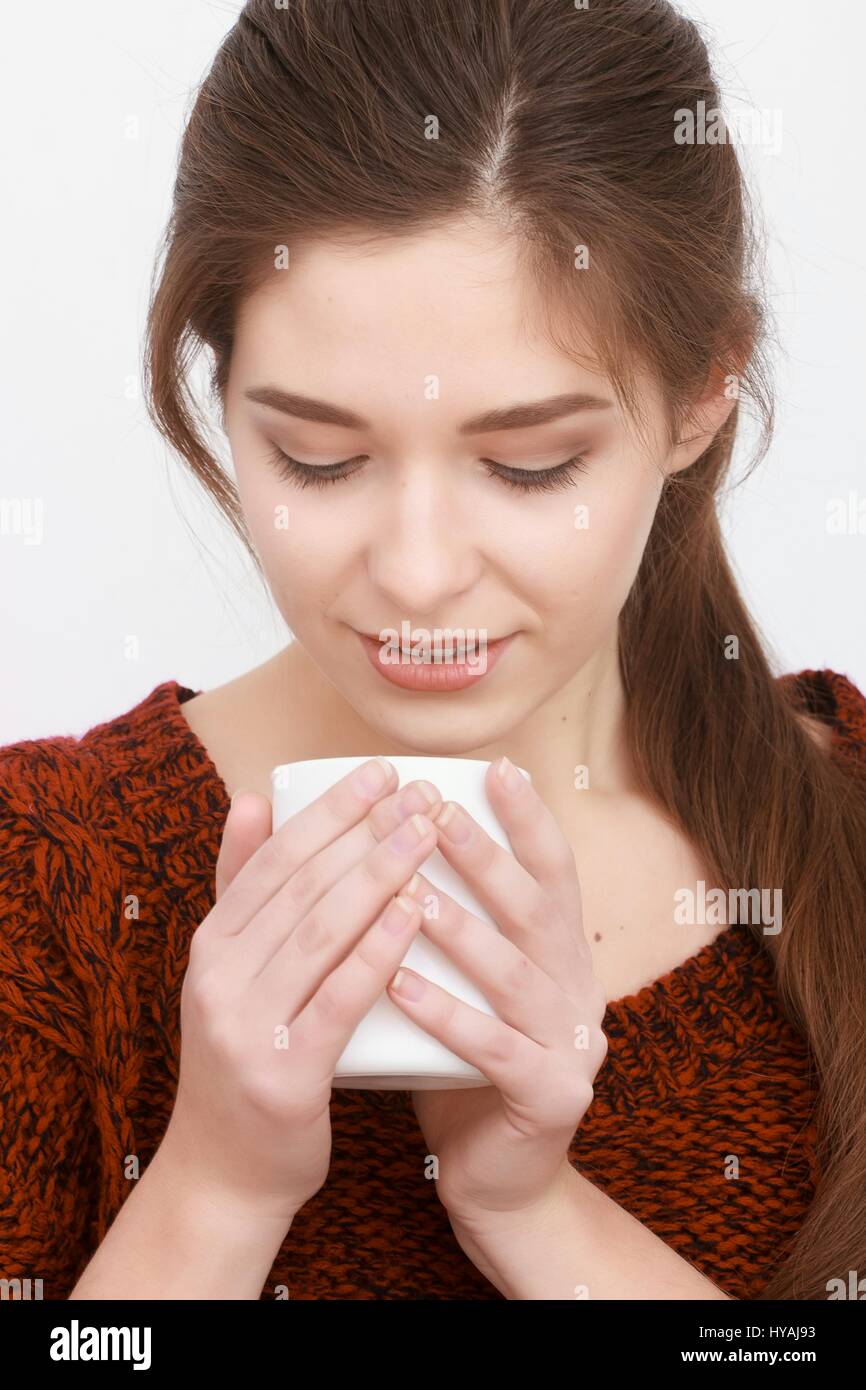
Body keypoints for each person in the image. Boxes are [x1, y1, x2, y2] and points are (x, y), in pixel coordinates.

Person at [2, 0, 864, 1302]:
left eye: (528, 465)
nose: (414, 570)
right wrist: (216, 1184)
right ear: (220, 386)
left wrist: (531, 1208)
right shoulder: (45, 875)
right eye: (317, 455)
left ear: (701, 394)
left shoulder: (840, 826)